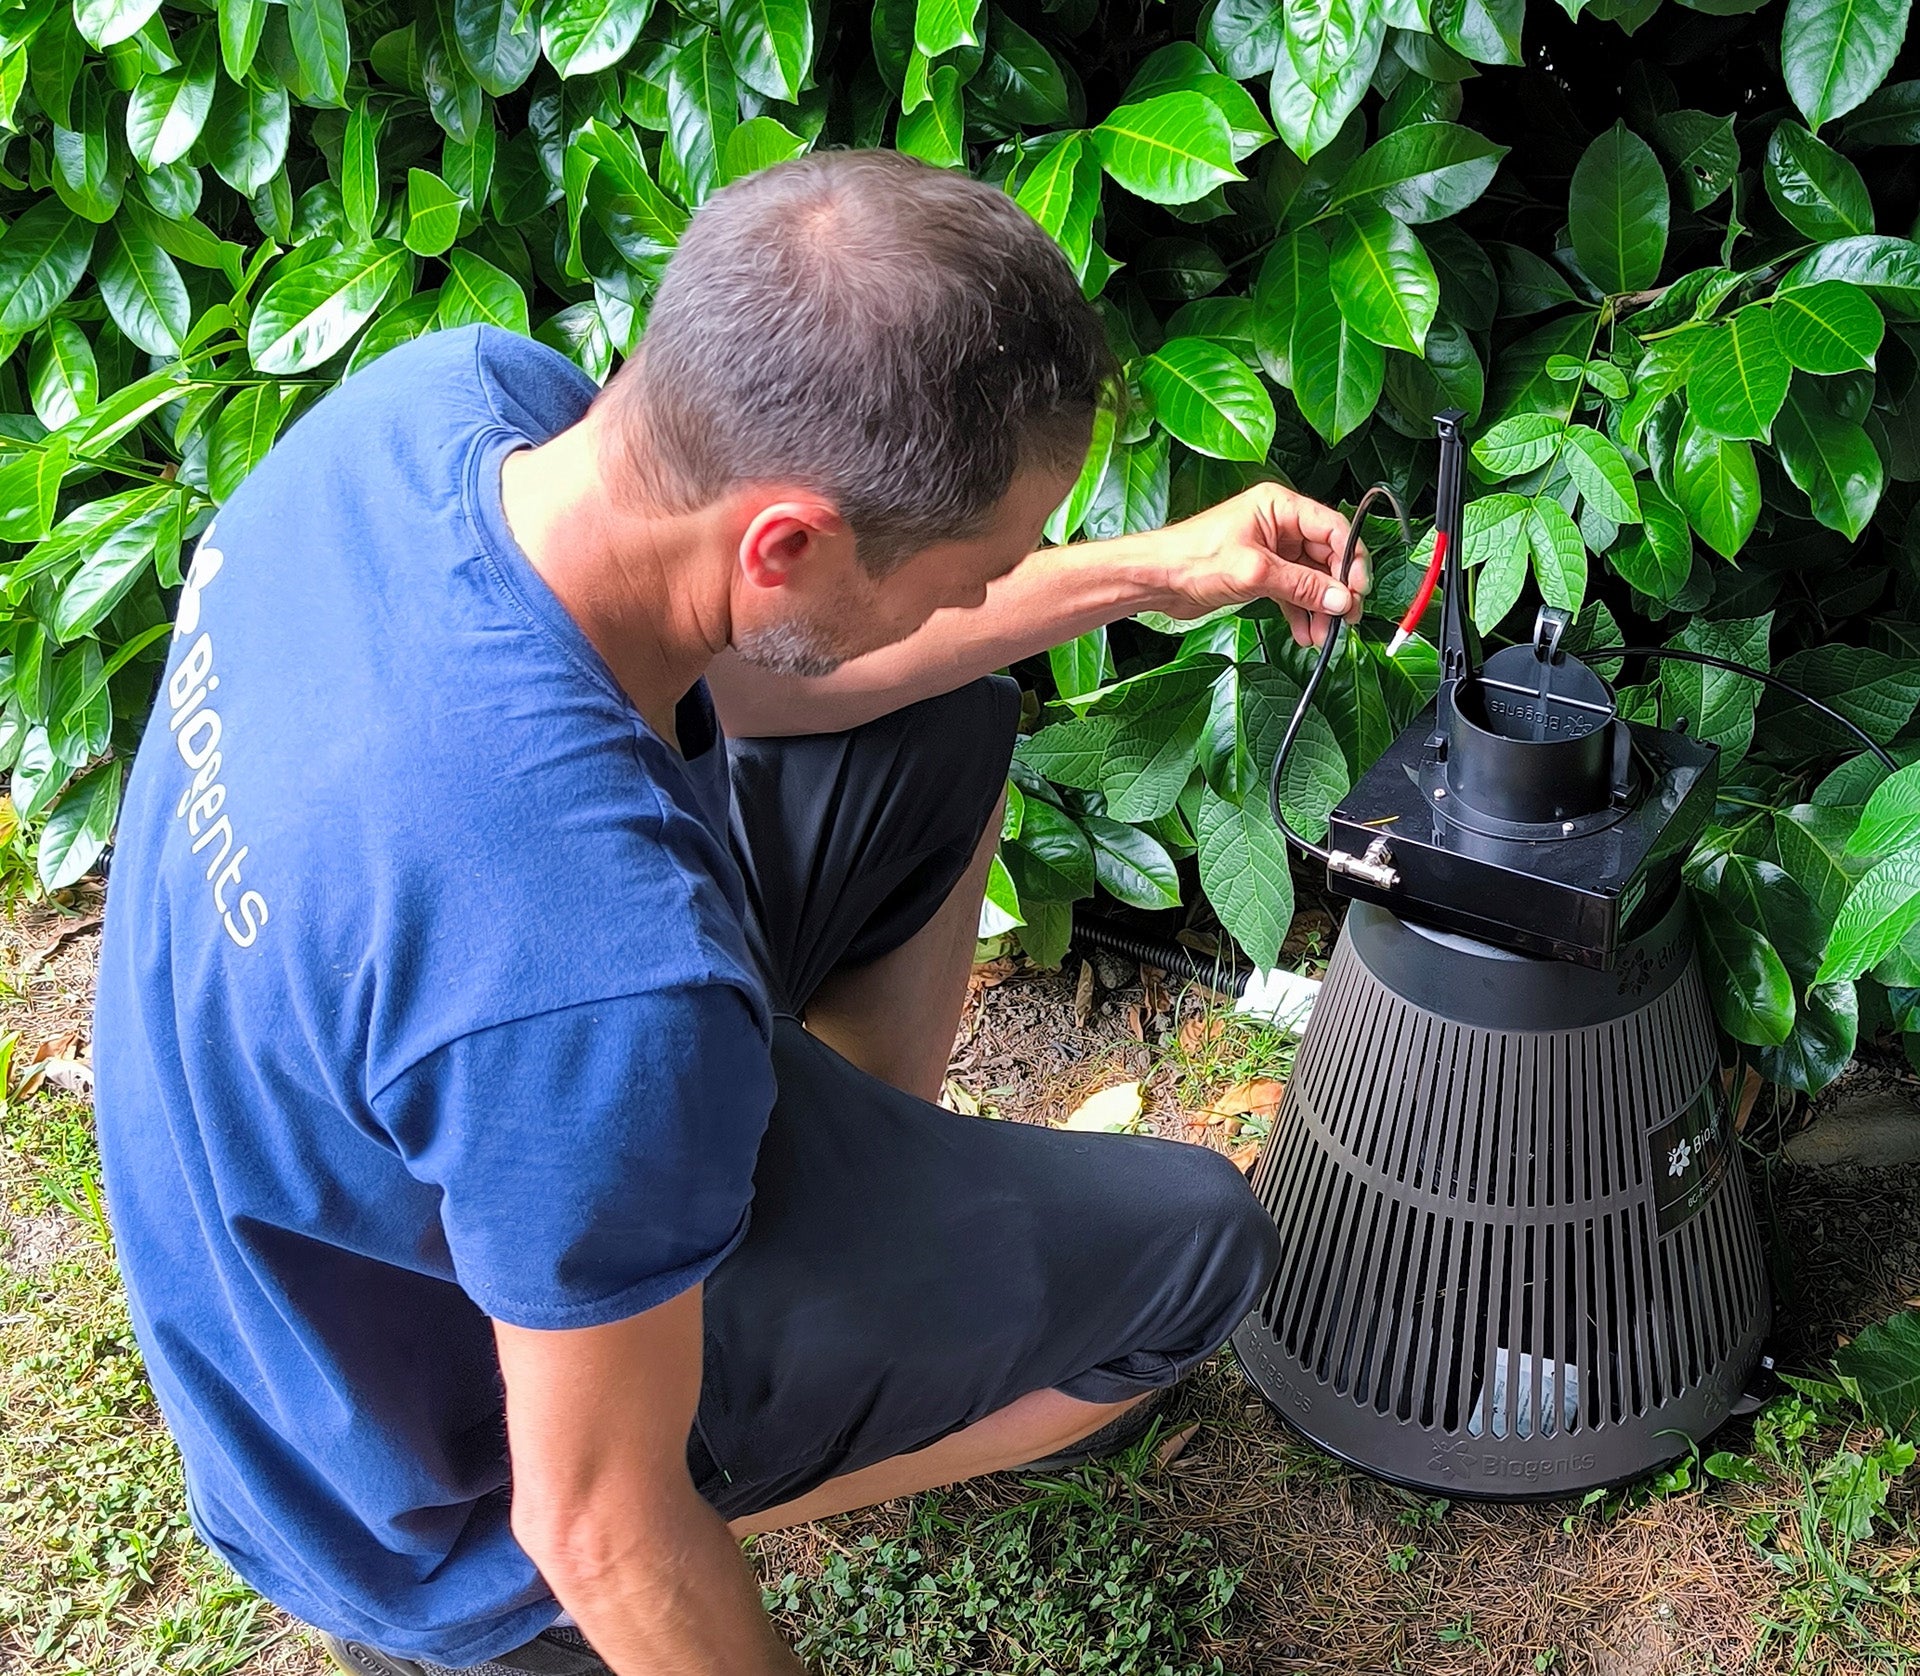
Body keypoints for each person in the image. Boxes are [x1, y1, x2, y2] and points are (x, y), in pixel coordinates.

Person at [93, 151, 1368, 1676]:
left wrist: (1148, 575)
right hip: (421, 1496)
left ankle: (807, 1231)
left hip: (334, 1237)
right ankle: (636, 1504)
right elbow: (602, 1525)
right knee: (1194, 1249)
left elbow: (752, 666)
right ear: (787, 542)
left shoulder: (452, 407)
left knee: (939, 713)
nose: (1011, 575)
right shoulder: (598, 982)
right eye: (986, 562)